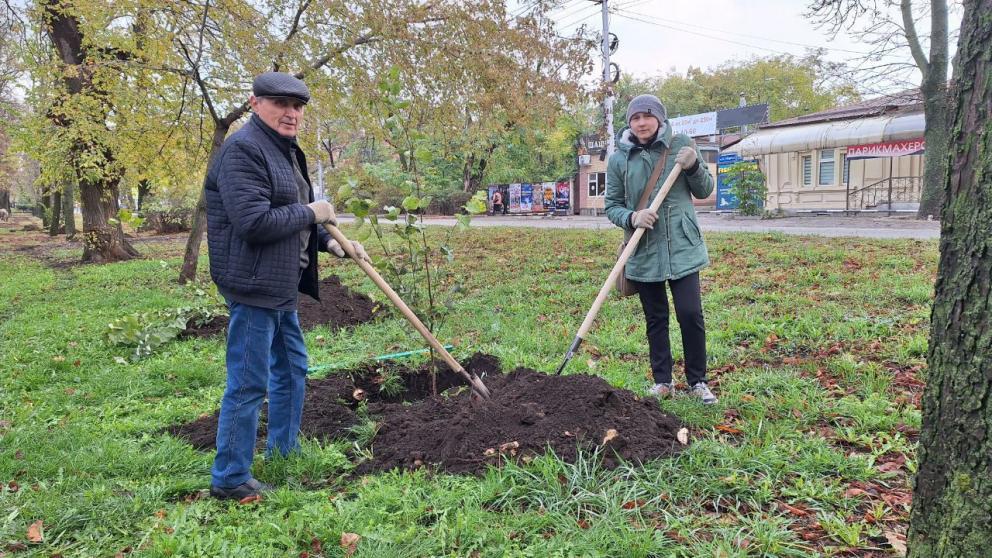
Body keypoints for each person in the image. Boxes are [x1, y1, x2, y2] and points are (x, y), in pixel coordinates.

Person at [204, 72, 370, 500]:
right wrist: (314, 214)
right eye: (281, 104)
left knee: (293, 369)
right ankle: (230, 478)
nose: (292, 113)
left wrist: (330, 241)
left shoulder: (285, 151)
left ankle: (284, 450)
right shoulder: (242, 151)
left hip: (280, 284)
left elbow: (291, 215)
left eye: (298, 107)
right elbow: (255, 223)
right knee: (248, 382)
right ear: (255, 103)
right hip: (253, 285)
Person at [604, 94, 718, 405]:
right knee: (655, 318)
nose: (641, 123)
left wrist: (693, 165)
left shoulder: (682, 144)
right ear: (629, 123)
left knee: (690, 313)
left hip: (682, 246)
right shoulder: (618, 159)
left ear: (659, 118)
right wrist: (632, 216)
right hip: (643, 250)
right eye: (635, 118)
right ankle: (663, 381)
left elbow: (705, 190)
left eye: (647, 116)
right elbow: (611, 206)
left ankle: (698, 382)